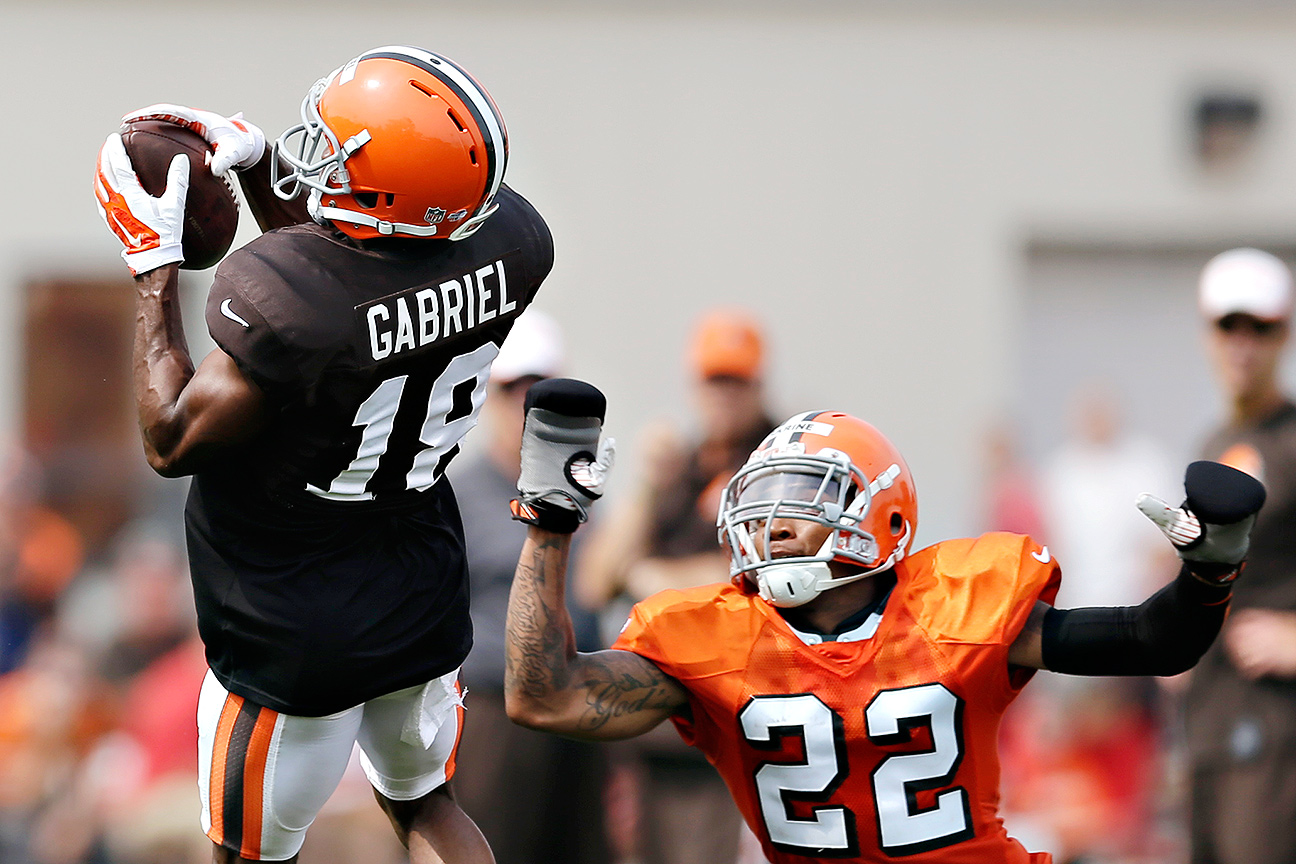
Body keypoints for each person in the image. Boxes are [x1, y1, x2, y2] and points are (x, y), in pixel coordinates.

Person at [92, 44, 551, 863]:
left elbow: (171, 438)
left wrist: (151, 267)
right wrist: (266, 170)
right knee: (426, 804)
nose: (321, 158)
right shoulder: (514, 244)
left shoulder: (290, 305)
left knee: (250, 852)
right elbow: (354, 282)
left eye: (339, 150)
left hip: (291, 611)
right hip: (416, 575)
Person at [501, 380, 1264, 864]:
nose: (773, 523)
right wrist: (549, 528)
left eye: (806, 497)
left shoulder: (954, 609)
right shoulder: (716, 637)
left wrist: (1209, 570)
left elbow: (1153, 638)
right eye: (766, 501)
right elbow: (544, 696)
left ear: (880, 515)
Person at [574, 308, 775, 864]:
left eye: (737, 382)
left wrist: (657, 580)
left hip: (734, 707)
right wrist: (645, 483)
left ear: (759, 385)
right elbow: (594, 580)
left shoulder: (773, 461)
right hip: (656, 711)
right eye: (715, 382)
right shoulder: (679, 468)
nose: (724, 397)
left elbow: (755, 575)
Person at [448, 308, 609, 864]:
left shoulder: (583, 487)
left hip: (573, 703)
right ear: (488, 395)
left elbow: (597, 585)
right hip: (493, 711)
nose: (524, 403)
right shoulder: (458, 494)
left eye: (538, 391)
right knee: (495, 849)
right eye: (513, 387)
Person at [1185, 247, 1296, 864]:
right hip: (1210, 724)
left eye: (1263, 327)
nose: (1243, 343)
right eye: (1229, 326)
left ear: (1285, 334)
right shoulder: (1216, 442)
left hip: (1277, 733)